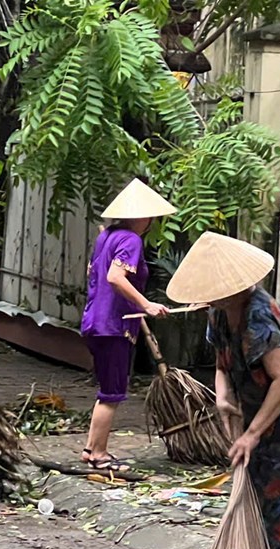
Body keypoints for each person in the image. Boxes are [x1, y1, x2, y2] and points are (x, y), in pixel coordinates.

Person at [166, 231, 280, 549]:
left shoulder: (259, 316)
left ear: (234, 285)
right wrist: (223, 397)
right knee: (256, 491)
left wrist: (251, 434)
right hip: (258, 412)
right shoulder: (220, 314)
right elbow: (223, 364)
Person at [79, 178, 176, 471]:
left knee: (108, 389)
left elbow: (92, 271)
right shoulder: (131, 241)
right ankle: (99, 455)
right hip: (112, 325)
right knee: (112, 393)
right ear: (144, 216)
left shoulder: (106, 236)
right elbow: (114, 277)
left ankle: (91, 449)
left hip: (95, 321)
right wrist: (146, 304)